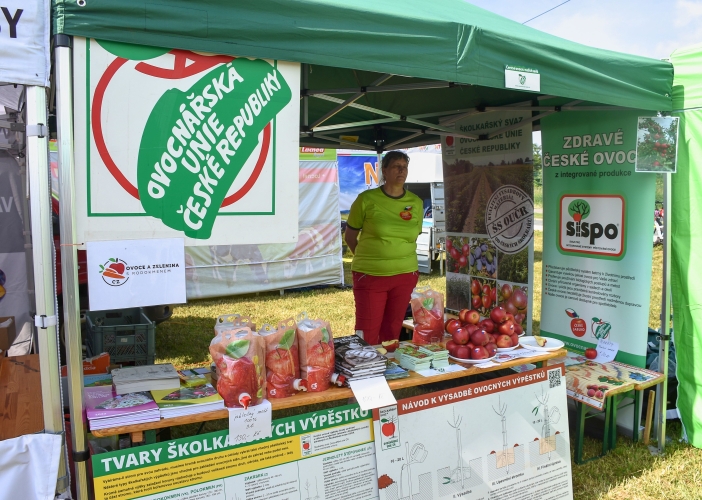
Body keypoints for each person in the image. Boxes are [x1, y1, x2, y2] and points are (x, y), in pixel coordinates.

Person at [344, 151, 423, 346]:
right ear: (384, 170)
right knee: (368, 330)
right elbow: (350, 236)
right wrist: (370, 259)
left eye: (404, 166)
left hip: (405, 275)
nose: (401, 170)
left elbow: (411, 237)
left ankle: (389, 369)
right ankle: (365, 370)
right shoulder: (366, 200)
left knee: (393, 329)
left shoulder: (416, 203)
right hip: (371, 275)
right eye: (396, 166)